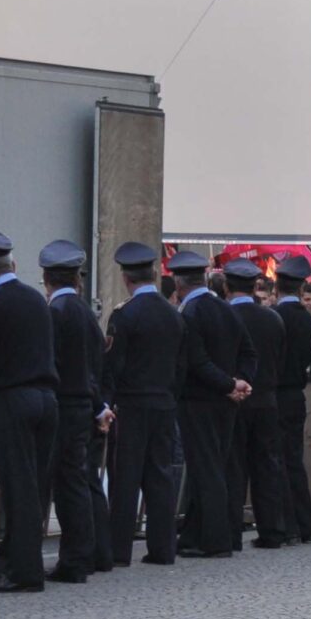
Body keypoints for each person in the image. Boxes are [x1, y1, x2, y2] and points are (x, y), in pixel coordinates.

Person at [0, 228, 57, 592]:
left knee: (16, 486)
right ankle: (12, 558)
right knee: (35, 486)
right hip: (46, 399)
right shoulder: (37, 299)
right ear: (13, 264)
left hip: (11, 400)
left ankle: (25, 572)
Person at [99, 240, 184, 566]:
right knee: (160, 476)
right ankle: (163, 549)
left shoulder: (125, 315)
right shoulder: (174, 315)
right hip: (164, 404)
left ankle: (119, 550)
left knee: (125, 478)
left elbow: (113, 367)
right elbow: (181, 366)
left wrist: (108, 402)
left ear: (126, 278)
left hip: (132, 406)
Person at [172, 250, 252, 557]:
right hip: (226, 402)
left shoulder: (189, 314)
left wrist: (230, 384)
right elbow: (248, 352)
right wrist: (240, 382)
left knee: (205, 471)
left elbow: (197, 362)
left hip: (199, 401)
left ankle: (215, 540)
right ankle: (193, 534)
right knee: (214, 465)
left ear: (179, 286)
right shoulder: (227, 309)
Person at [38, 238, 102, 584]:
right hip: (83, 403)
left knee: (66, 485)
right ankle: (83, 554)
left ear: (47, 279)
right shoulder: (84, 313)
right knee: (77, 480)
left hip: (63, 403)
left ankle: (75, 559)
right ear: (77, 277)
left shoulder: (55, 313)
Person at [226, 256, 293, 547]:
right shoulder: (273, 318)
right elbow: (281, 359)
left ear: (227, 286)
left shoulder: (224, 317)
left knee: (233, 466)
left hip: (233, 400)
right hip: (267, 400)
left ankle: (230, 531)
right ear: (255, 285)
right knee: (268, 466)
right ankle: (272, 529)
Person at [270, 256, 311, 543]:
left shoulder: (274, 316)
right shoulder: (307, 320)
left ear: (277, 287)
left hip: (276, 394)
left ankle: (286, 525)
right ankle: (305, 524)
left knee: (276, 461)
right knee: (295, 460)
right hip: (296, 394)